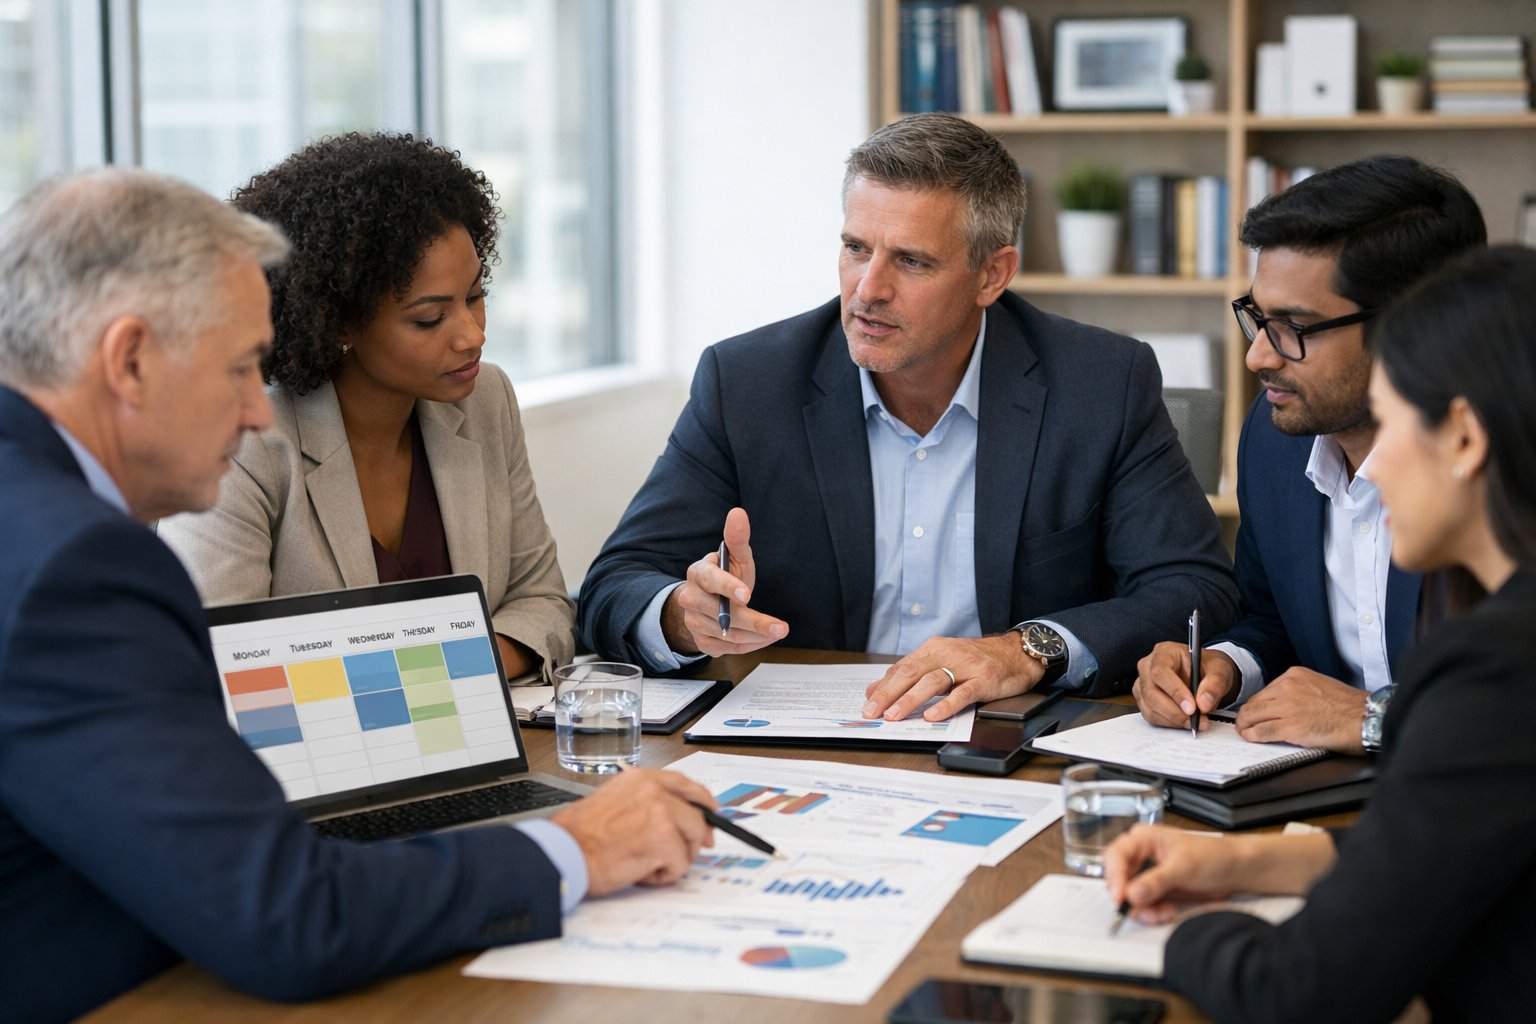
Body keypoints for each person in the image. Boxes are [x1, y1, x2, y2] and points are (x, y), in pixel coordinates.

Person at [0, 168, 716, 1023]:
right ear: (129, 360)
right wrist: (573, 847)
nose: (256, 413)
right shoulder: (75, 570)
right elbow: (287, 914)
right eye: (238, 371)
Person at [578, 114, 1237, 717]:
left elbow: (1193, 588)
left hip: (1013, 740)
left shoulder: (1101, 383)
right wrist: (676, 617)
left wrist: (1026, 649)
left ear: (993, 274)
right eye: (856, 248)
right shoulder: (748, 383)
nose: (868, 291)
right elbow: (614, 585)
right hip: (803, 745)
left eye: (912, 261)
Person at [1106, 245, 1536, 1023]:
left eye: (1396, 418)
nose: (1369, 471)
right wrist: (1237, 861)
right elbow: (1442, 843)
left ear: (1466, 438)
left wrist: (1163, 939)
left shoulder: (1496, 666)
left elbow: (1300, 991)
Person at [158, 133, 573, 682]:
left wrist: (453, 675)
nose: (472, 336)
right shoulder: (243, 440)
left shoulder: (485, 400)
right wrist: (439, 679)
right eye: (430, 318)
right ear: (341, 323)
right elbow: (216, 665)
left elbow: (544, 603)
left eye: (475, 296)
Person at [1131, 155, 1486, 751]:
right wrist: (1224, 666)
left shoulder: (1500, 469)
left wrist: (1375, 719)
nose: (1258, 358)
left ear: (1412, 325)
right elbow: (1275, 620)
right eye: (1258, 318)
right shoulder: (1274, 440)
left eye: (1294, 327)